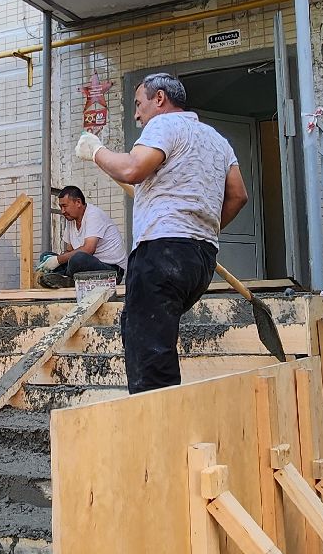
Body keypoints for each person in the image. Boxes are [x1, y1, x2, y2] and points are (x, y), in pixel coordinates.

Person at [75, 72, 247, 394]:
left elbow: (131, 169)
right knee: (152, 337)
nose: (137, 115)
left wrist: (96, 151)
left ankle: (159, 432)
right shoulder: (217, 141)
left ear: (159, 99)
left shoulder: (164, 125)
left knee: (149, 357)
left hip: (161, 253)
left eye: (139, 105)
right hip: (201, 261)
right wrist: (199, 228)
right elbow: (238, 196)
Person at [36, 185, 127, 289]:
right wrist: (53, 260)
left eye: (65, 206)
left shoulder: (94, 215)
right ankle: (64, 278)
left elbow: (88, 249)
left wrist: (58, 260)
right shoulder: (71, 220)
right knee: (46, 256)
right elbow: (69, 251)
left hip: (111, 270)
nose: (62, 211)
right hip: (85, 268)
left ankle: (66, 278)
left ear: (78, 202)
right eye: (61, 207)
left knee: (78, 258)